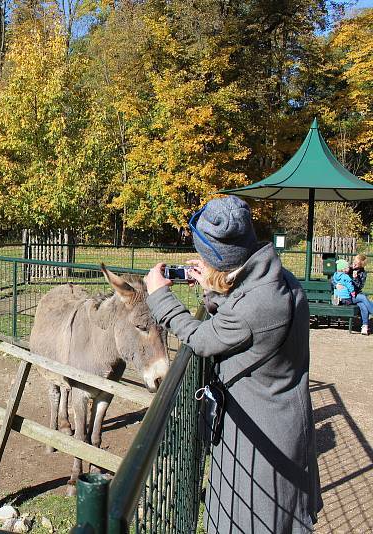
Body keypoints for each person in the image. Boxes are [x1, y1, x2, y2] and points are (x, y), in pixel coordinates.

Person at [144, 196, 321, 534]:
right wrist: (216, 288)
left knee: (250, 522)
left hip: (263, 437)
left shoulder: (259, 305)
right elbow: (239, 320)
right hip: (270, 417)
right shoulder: (277, 278)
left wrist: (159, 298)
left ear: (222, 260)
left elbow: (202, 339)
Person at [333, 258, 372, 335]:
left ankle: (364, 327)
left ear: (360, 266)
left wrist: (355, 278)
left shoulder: (362, 273)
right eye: (354, 262)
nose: (353, 264)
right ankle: (365, 324)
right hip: (349, 296)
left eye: (356, 264)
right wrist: (336, 285)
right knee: (363, 298)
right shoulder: (347, 268)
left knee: (363, 304)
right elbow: (333, 279)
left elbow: (359, 287)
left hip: (354, 294)